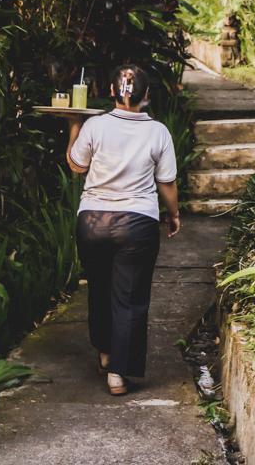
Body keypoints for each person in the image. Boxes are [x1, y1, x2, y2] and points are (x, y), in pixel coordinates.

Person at [65, 63, 181, 396]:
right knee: (129, 297)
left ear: (113, 92)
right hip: (136, 224)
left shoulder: (95, 126)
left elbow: (76, 164)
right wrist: (173, 215)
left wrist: (73, 126)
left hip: (92, 223)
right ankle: (117, 374)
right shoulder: (158, 132)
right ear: (146, 95)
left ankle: (104, 352)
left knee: (100, 287)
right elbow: (167, 182)